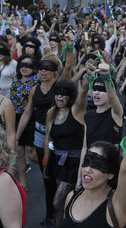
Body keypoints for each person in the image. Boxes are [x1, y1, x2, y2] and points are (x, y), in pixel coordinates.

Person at [60, 101, 126, 228]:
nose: (88, 169)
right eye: (87, 161)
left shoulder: (117, 204)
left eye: (97, 164)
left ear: (111, 174)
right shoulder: (71, 197)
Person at [16, 37, 74, 227]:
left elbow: (68, 67)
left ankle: (65, 214)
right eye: (41, 69)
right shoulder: (35, 89)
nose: (43, 72)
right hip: (40, 135)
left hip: (59, 135)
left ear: (53, 73)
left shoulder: (60, 85)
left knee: (60, 178)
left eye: (47, 70)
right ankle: (50, 216)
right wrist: (16, 138)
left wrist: (70, 46)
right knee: (47, 177)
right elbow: (26, 113)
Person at [43, 79, 87, 227]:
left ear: (71, 97)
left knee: (57, 201)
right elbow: (48, 137)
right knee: (64, 203)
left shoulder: (76, 110)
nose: (59, 97)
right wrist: (46, 159)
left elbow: (83, 92)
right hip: (57, 160)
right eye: (57, 94)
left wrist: (89, 76)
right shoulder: (51, 112)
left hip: (74, 162)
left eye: (64, 95)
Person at [10, 54, 38, 189]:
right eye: (22, 65)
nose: (24, 68)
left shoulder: (38, 81)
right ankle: (22, 183)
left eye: (28, 65)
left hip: (33, 119)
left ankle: (47, 173)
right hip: (16, 118)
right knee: (19, 152)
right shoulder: (15, 82)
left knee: (33, 154)